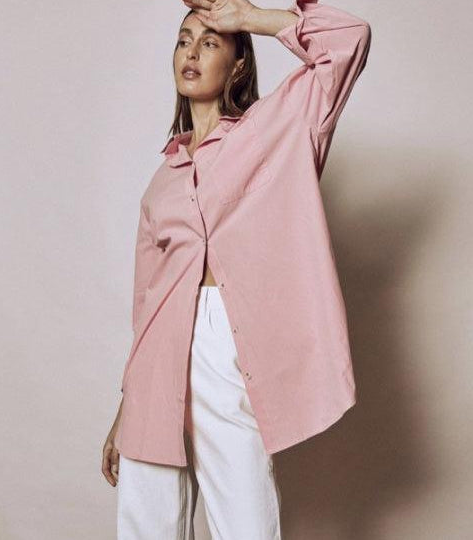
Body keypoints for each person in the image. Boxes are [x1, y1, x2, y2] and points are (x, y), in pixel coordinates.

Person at [102, 0, 371, 538]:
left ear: (238, 64)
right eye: (183, 41)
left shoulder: (277, 129)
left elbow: (349, 40)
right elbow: (145, 307)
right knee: (146, 526)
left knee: (245, 521)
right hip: (156, 360)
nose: (191, 53)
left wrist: (247, 18)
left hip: (227, 344)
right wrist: (125, 409)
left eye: (209, 42)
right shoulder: (162, 181)